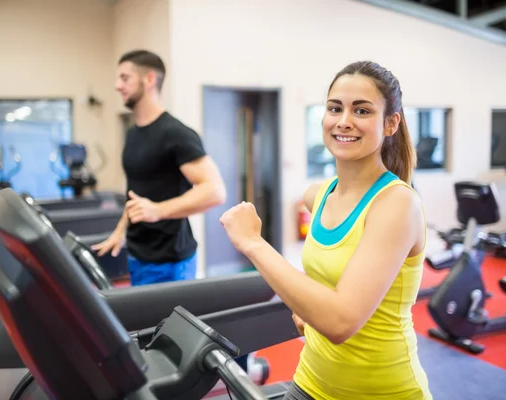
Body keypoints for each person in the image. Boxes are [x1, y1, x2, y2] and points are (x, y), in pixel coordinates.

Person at [220, 61, 432, 400]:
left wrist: (253, 243)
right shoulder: (320, 194)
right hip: (310, 382)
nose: (344, 120)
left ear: (390, 123)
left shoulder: (397, 204)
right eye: (335, 108)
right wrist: (305, 305)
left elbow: (339, 322)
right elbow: (327, 283)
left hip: (384, 391)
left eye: (361, 110)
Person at [92, 49, 226, 286]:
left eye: (125, 78)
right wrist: (120, 231)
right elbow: (138, 193)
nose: (117, 86)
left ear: (150, 79)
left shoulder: (176, 134)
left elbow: (215, 191)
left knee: (166, 325)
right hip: (138, 255)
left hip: (170, 262)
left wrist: (158, 210)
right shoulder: (133, 133)